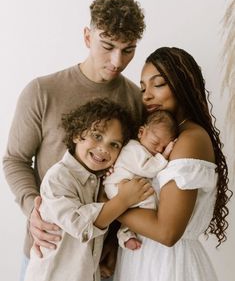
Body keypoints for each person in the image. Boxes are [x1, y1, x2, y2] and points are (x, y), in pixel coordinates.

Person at [2, 0, 146, 280]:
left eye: (128, 50)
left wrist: (116, 243)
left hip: (98, 258)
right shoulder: (42, 91)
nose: (118, 61)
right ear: (87, 37)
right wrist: (34, 210)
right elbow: (14, 160)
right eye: (108, 46)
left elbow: (133, 171)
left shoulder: (134, 99)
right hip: (47, 250)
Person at [112, 46, 233, 281]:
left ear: (182, 84)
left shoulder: (190, 139)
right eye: (143, 87)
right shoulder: (157, 139)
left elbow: (167, 232)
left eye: (157, 84)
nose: (146, 95)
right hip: (141, 257)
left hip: (169, 266)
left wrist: (107, 204)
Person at [23, 98, 153, 281]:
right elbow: (80, 225)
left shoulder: (101, 181)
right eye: (97, 136)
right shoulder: (59, 177)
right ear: (77, 135)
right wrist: (123, 200)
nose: (103, 149)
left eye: (114, 145)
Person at [103, 110, 178, 250]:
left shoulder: (143, 149)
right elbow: (147, 169)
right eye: (155, 142)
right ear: (141, 132)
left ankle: (126, 233)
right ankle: (145, 227)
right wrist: (165, 155)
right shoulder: (133, 149)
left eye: (163, 147)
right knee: (149, 200)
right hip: (117, 186)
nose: (158, 149)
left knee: (139, 206)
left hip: (123, 186)